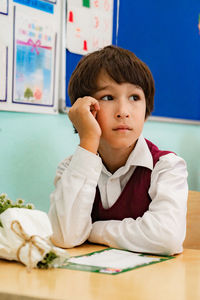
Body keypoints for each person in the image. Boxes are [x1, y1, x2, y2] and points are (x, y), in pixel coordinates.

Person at [48, 45, 188, 255]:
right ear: (85, 109)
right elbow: (65, 236)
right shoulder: (72, 168)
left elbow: (166, 238)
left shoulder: (167, 167)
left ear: (146, 107)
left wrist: (93, 230)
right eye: (108, 97)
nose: (123, 112)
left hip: (150, 285)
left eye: (134, 98)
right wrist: (88, 140)